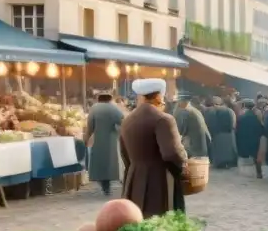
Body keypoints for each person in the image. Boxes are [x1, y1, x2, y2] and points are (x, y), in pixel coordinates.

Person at [119, 78, 188, 216]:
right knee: (162, 222)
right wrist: (183, 166)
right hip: (159, 180)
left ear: (141, 97)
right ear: (158, 96)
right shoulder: (164, 119)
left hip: (134, 178)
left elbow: (124, 154)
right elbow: (171, 154)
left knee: (137, 221)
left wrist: (134, 168)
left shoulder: (127, 120)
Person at [85, 91, 124, 195]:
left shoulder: (94, 108)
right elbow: (123, 121)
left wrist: (86, 138)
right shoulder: (113, 108)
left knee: (100, 163)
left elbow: (89, 126)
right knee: (111, 163)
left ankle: (104, 185)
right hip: (112, 140)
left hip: (98, 140)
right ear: (109, 99)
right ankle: (112, 184)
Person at [235, 99, 266, 178]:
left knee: (244, 157)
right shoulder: (257, 116)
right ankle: (259, 172)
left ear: (244, 106)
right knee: (256, 157)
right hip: (256, 140)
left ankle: (243, 173)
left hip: (245, 139)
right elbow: (262, 128)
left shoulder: (241, 117)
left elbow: (237, 129)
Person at [175, 94, 211, 158]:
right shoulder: (195, 110)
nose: (177, 104)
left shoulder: (185, 112)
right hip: (202, 143)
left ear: (183, 102)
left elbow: (180, 130)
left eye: (178, 102)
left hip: (193, 145)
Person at [209, 98, 239, 169]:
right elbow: (233, 124)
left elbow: (211, 123)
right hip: (228, 133)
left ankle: (219, 164)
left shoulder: (211, 111)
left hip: (217, 134)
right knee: (229, 150)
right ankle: (229, 163)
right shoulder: (230, 111)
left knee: (219, 150)